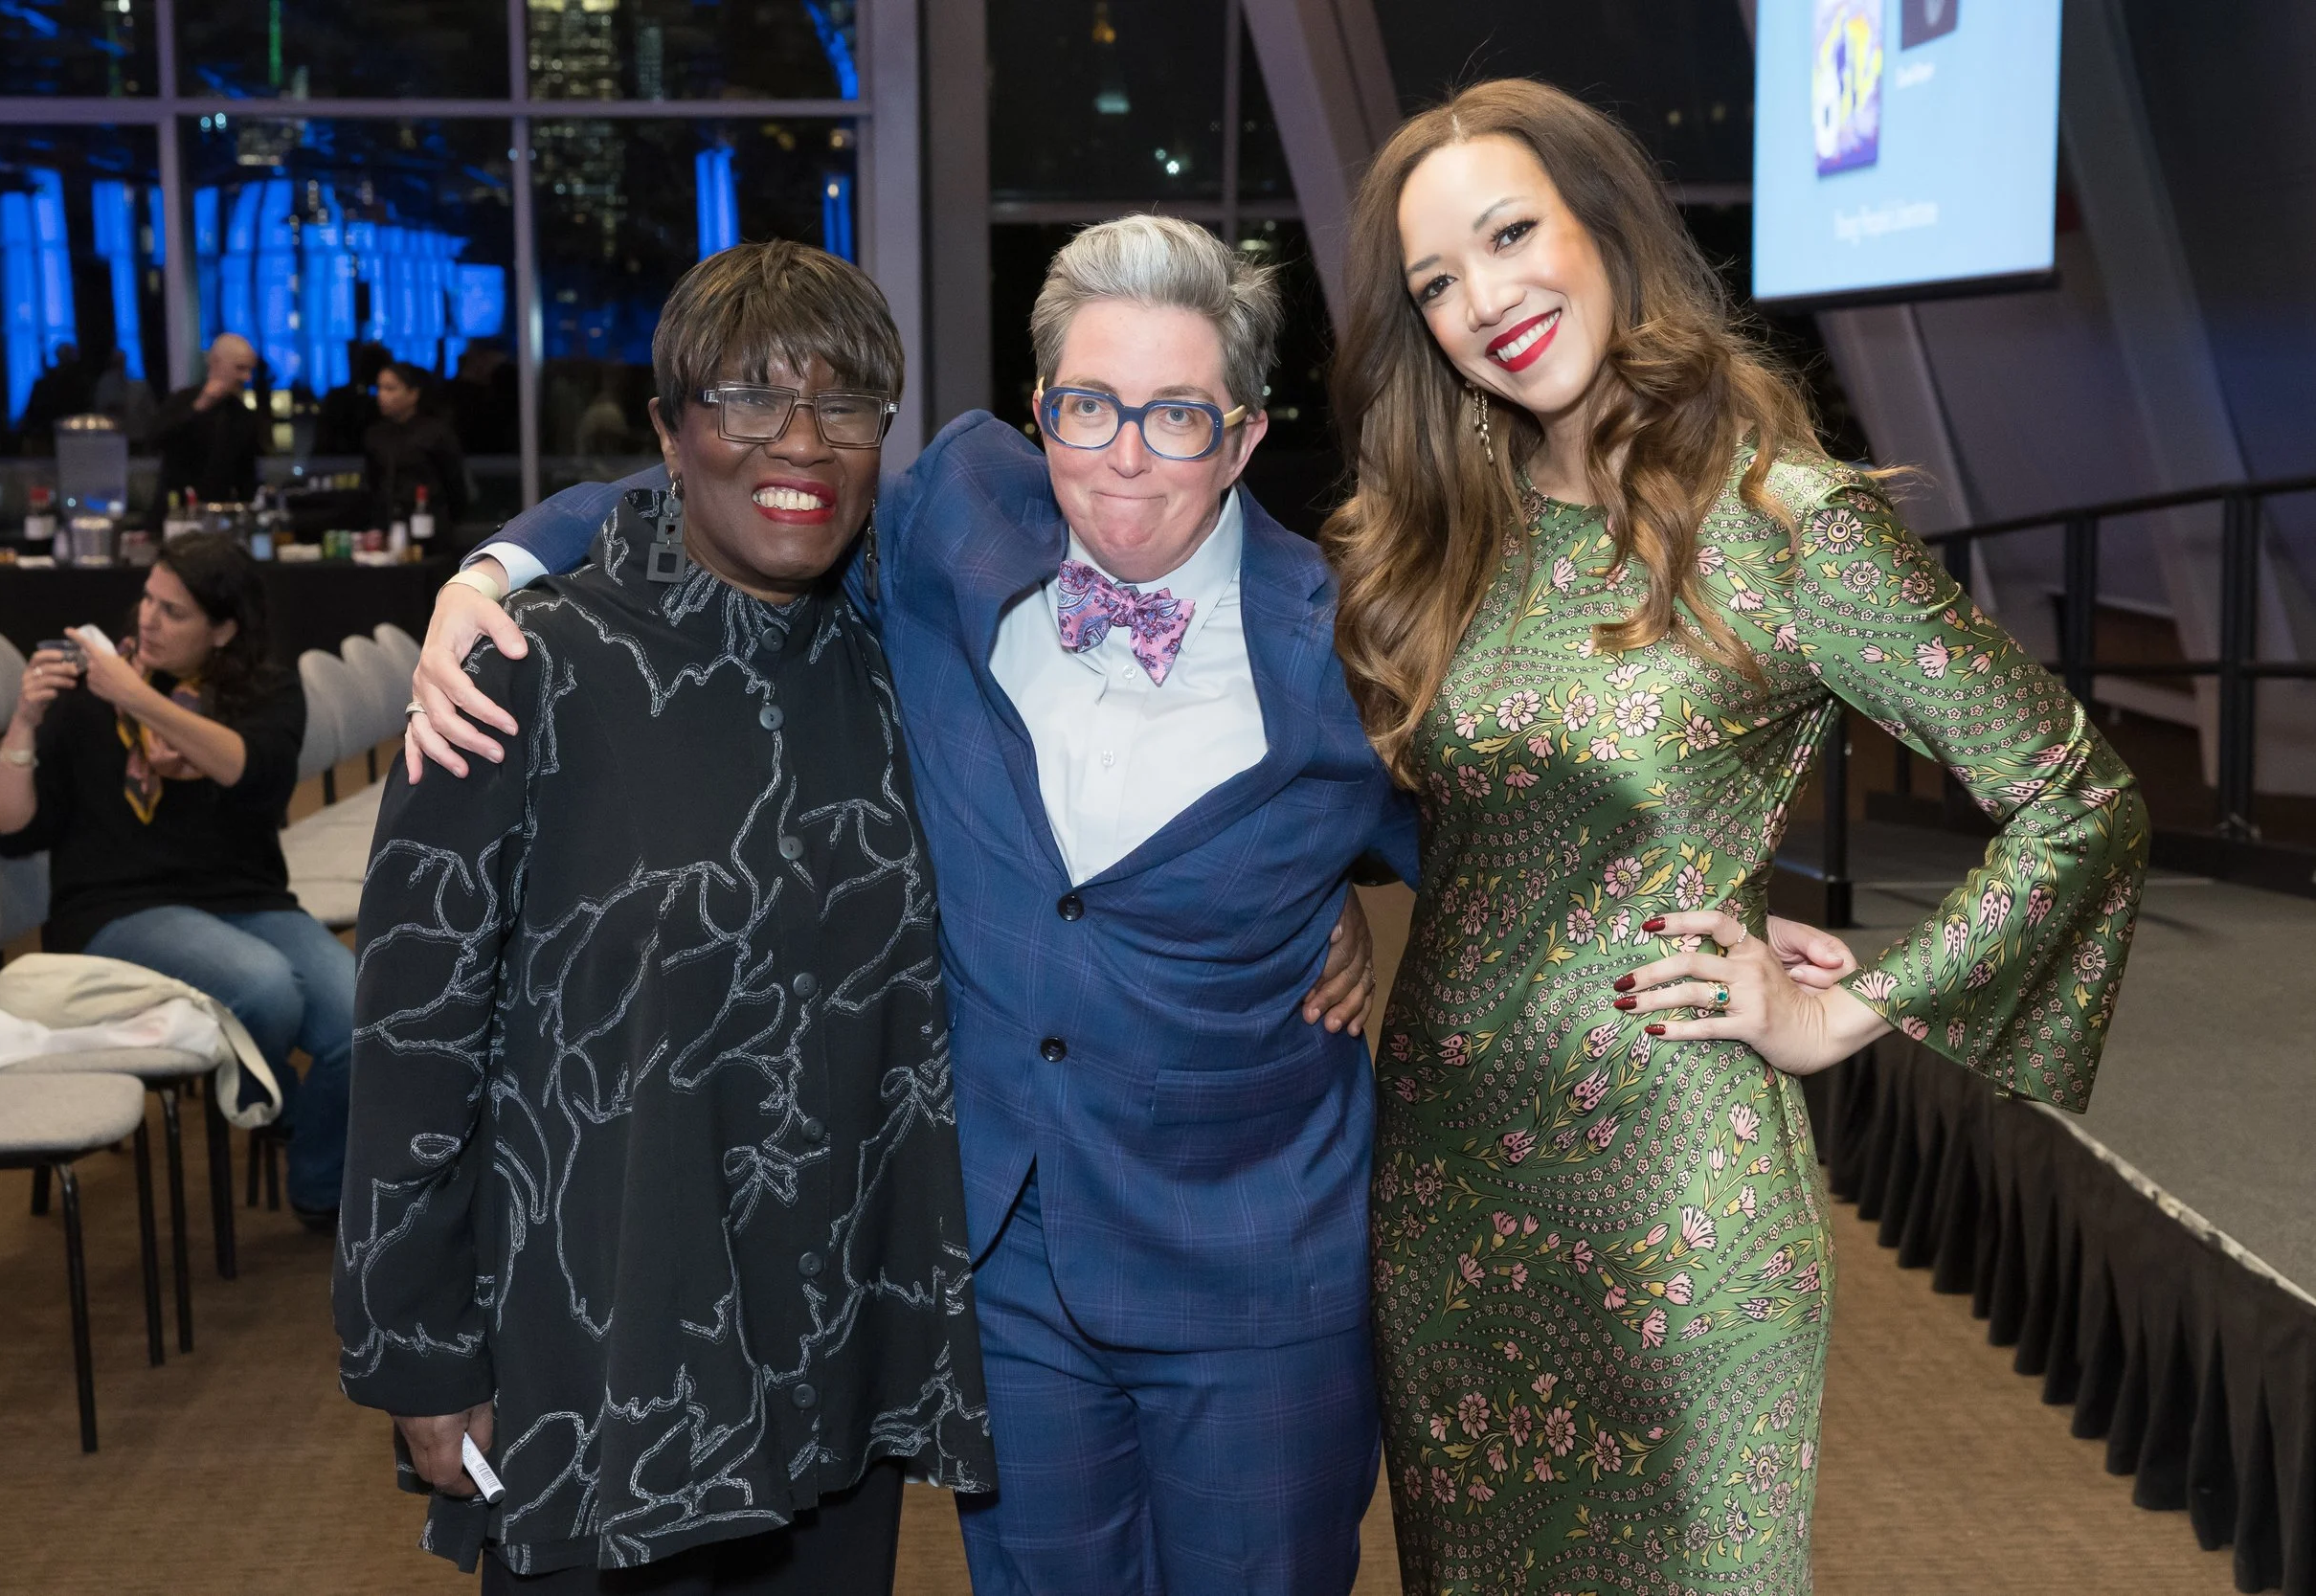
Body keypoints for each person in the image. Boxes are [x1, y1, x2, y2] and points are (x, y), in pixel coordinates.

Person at [404, 218, 1855, 1595]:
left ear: (1244, 438)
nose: (1125, 456)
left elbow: (1526, 840)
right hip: (1004, 1271)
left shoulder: (1353, 638)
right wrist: (500, 562)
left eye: (1176, 415)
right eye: (1090, 405)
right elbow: (733, 481)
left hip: (1258, 1276)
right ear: (1038, 412)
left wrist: (1726, 921)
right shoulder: (947, 527)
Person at [1323, 79, 2151, 1595]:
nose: (1485, 300)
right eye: (1439, 282)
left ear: (1608, 229)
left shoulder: (1784, 524)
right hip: (1441, 1191)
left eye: (1513, 235)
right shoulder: (1437, 537)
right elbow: (1417, 793)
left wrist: (1851, 1003)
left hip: (1675, 1205)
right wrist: (1320, 889)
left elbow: (2079, 794)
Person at [332, 241, 993, 1592]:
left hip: (837, 1356)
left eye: (846, 405)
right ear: (668, 433)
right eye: (749, 400)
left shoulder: (891, 665)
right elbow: (411, 1038)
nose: (799, 442)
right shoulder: (521, 671)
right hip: (603, 1362)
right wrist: (416, 1348)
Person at [0, 531, 354, 1226]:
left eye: (174, 611)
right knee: (266, 986)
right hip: (117, 908)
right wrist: (25, 718)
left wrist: (138, 697)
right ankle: (287, 1112)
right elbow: (10, 828)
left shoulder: (262, 690)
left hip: (245, 897)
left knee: (359, 1021)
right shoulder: (90, 688)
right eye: (147, 599)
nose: (147, 620)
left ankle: (321, 1188)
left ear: (224, 629)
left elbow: (253, 771)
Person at [152, 332, 264, 504]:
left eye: (250, 370)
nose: (246, 377)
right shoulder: (182, 400)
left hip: (221, 517)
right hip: (174, 513)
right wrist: (200, 406)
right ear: (216, 363)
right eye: (240, 368)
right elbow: (158, 441)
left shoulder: (243, 415)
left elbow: (247, 479)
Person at [362, 360, 469, 528]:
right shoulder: (375, 435)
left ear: (413, 394)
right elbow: (373, 484)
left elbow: (455, 485)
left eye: (390, 389)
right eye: (379, 388)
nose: (381, 395)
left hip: (432, 526)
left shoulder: (436, 433)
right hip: (387, 525)